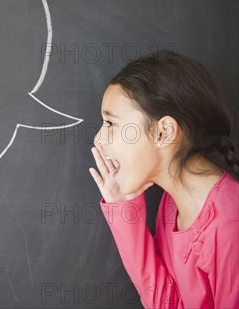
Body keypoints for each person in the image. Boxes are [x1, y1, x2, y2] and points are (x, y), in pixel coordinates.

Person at [88, 49, 239, 308]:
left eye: (111, 123)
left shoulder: (229, 226)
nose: (98, 139)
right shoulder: (172, 203)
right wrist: (125, 212)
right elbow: (167, 302)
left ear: (164, 132)